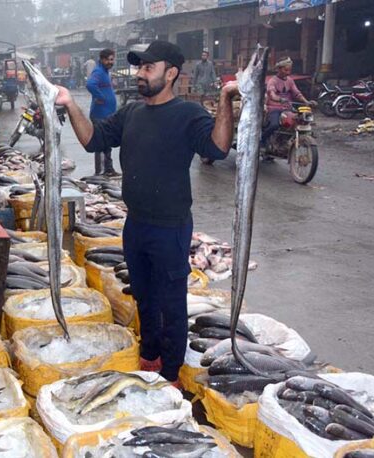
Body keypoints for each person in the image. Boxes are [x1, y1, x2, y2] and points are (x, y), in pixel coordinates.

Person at [54, 40, 239, 382]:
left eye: (148, 67)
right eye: (139, 67)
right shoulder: (132, 113)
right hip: (136, 225)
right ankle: (149, 357)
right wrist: (70, 103)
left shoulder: (187, 114)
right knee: (144, 298)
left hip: (170, 228)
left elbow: (218, 146)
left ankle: (170, 373)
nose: (140, 73)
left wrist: (226, 101)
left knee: (171, 305)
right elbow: (92, 140)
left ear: (170, 74)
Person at [262, 57, 315, 145]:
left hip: (288, 108)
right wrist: (280, 99)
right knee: (274, 125)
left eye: (289, 70)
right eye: (286, 70)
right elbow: (271, 94)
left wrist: (307, 102)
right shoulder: (272, 81)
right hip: (274, 108)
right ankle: (262, 141)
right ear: (279, 69)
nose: (288, 72)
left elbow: (297, 93)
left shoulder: (290, 80)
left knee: (299, 121)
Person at [86, 48, 118, 176]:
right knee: (100, 144)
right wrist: (100, 97)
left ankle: (108, 169)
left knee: (107, 143)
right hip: (100, 115)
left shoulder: (105, 72)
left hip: (107, 114)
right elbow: (90, 84)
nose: (111, 62)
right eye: (109, 60)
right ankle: (99, 172)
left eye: (112, 59)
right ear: (102, 59)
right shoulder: (98, 71)